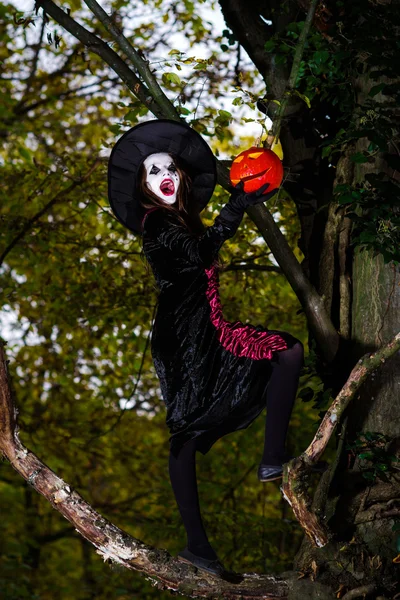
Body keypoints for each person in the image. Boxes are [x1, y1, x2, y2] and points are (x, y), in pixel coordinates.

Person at [108, 120, 304, 578]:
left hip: (205, 326)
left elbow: (203, 250)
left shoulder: (180, 219)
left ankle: (270, 461)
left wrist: (246, 195)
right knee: (188, 430)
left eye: (168, 167)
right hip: (183, 337)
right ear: (145, 187)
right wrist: (239, 204)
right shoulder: (156, 222)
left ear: (180, 175)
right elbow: (200, 255)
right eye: (152, 173)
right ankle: (200, 545)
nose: (164, 176)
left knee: (285, 353)